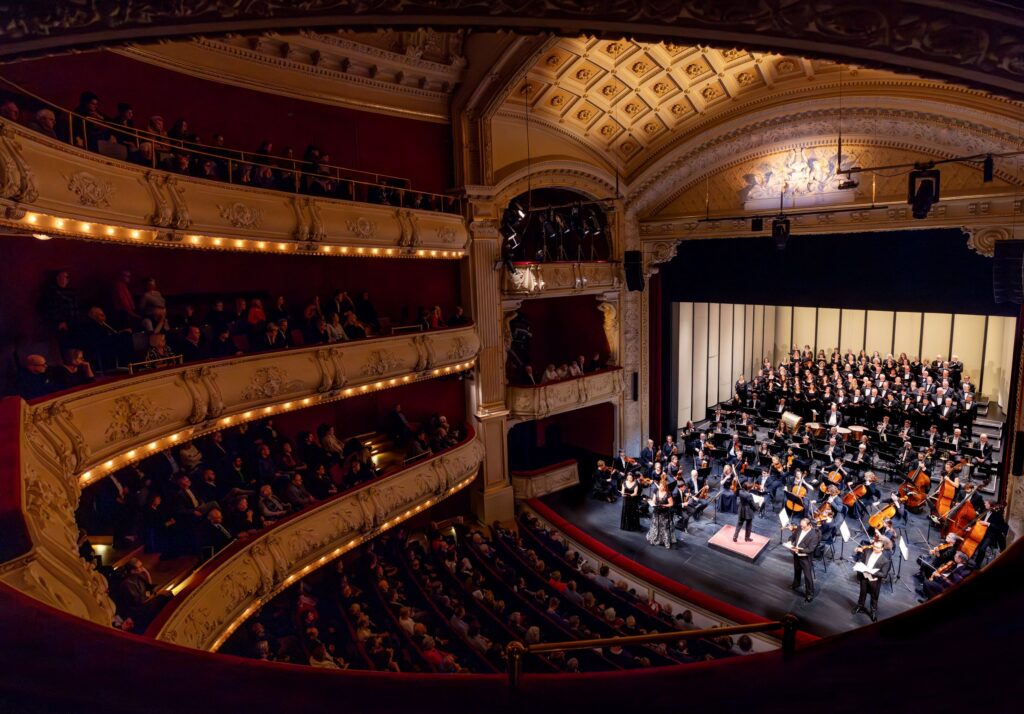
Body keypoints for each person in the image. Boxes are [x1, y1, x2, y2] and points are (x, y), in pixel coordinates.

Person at [852, 540, 891, 621]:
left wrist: (872, 572)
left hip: (874, 580)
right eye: (874, 546)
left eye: (877, 547)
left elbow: (884, 574)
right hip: (864, 576)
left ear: (882, 548)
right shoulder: (867, 551)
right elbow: (862, 561)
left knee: (874, 597)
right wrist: (859, 565)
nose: (875, 548)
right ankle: (860, 606)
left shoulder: (886, 560)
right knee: (862, 593)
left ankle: (873, 611)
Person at [787, 518, 820, 602]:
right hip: (796, 554)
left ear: (809, 525)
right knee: (797, 570)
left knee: (808, 576)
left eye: (803, 527)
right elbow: (793, 537)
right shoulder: (800, 527)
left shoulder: (814, 535)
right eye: (801, 526)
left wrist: (799, 550)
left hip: (805, 557)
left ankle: (809, 593)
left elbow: (810, 549)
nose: (801, 528)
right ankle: (796, 583)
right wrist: (790, 541)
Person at [646, 476, 674, 549]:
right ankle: (654, 539)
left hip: (664, 513)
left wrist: (665, 505)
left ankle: (665, 542)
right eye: (660, 486)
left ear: (664, 487)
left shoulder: (668, 493)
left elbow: (671, 504)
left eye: (662, 486)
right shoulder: (656, 490)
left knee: (664, 527)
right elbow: (654, 500)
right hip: (656, 511)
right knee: (655, 525)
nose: (660, 487)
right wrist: (651, 502)